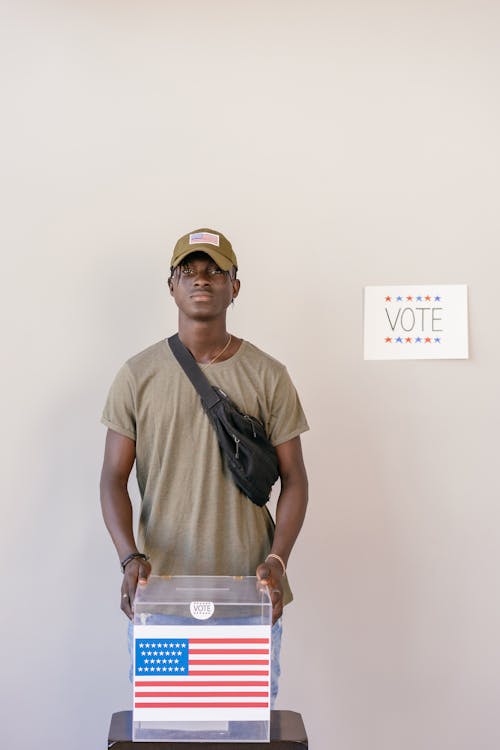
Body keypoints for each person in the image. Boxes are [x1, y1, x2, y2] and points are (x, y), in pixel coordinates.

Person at [100, 228, 309, 705]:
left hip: (249, 595)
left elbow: (296, 479)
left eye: (216, 270)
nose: (202, 279)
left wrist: (277, 561)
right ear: (170, 285)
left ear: (235, 287)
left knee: (243, 725)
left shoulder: (268, 374)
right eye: (189, 271)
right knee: (168, 722)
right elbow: (112, 478)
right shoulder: (138, 374)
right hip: (163, 596)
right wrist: (129, 557)